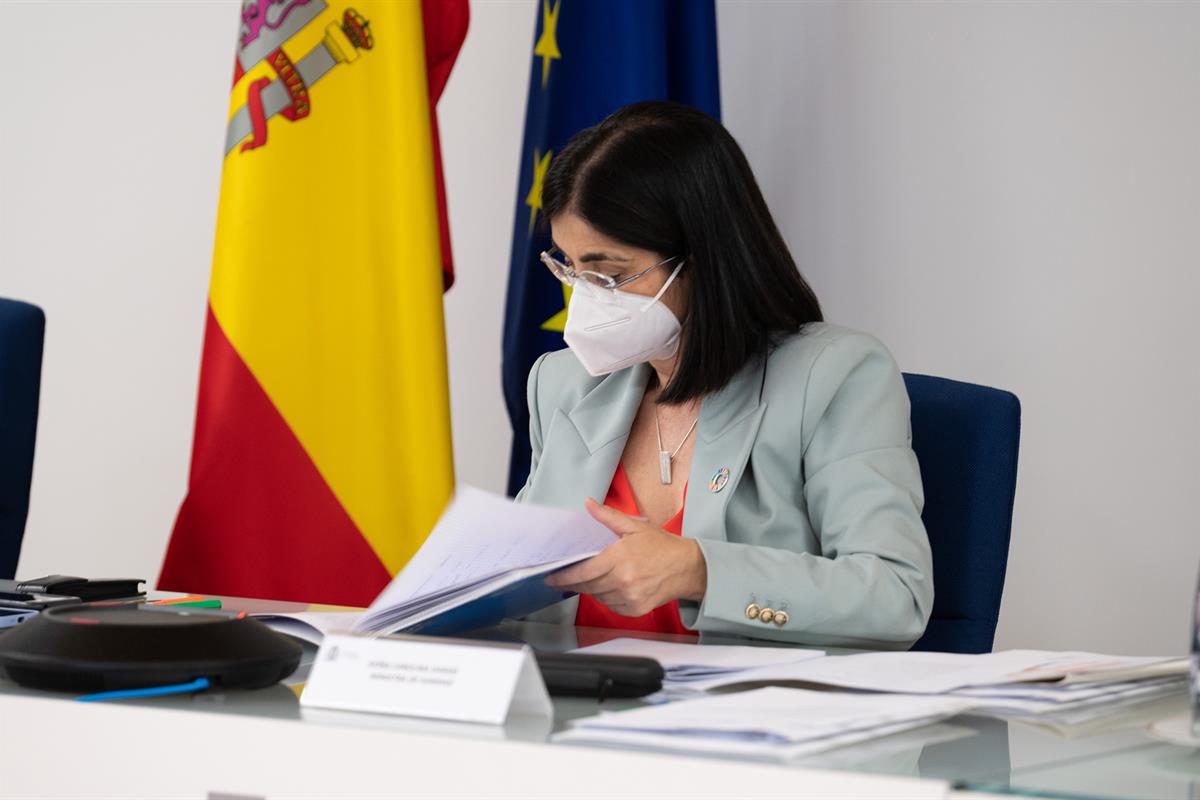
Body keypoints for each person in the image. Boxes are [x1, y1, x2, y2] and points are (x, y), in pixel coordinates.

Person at [516, 101, 932, 648]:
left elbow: (895, 597)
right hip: (576, 712)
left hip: (753, 721)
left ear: (702, 260)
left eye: (610, 274)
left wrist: (700, 570)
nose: (586, 298)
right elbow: (520, 588)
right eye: (572, 269)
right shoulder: (561, 385)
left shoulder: (836, 376)